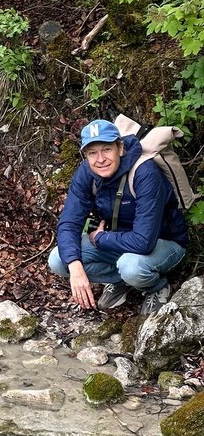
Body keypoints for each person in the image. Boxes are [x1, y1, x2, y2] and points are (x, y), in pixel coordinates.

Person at [48, 118, 188, 314]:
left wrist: (101, 238)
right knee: (59, 259)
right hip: (116, 242)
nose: (100, 159)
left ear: (120, 148)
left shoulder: (145, 173)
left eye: (106, 149)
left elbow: (143, 242)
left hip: (163, 243)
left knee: (130, 266)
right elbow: (69, 223)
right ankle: (120, 282)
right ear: (85, 156)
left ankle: (157, 286)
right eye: (92, 153)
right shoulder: (87, 173)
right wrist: (75, 266)